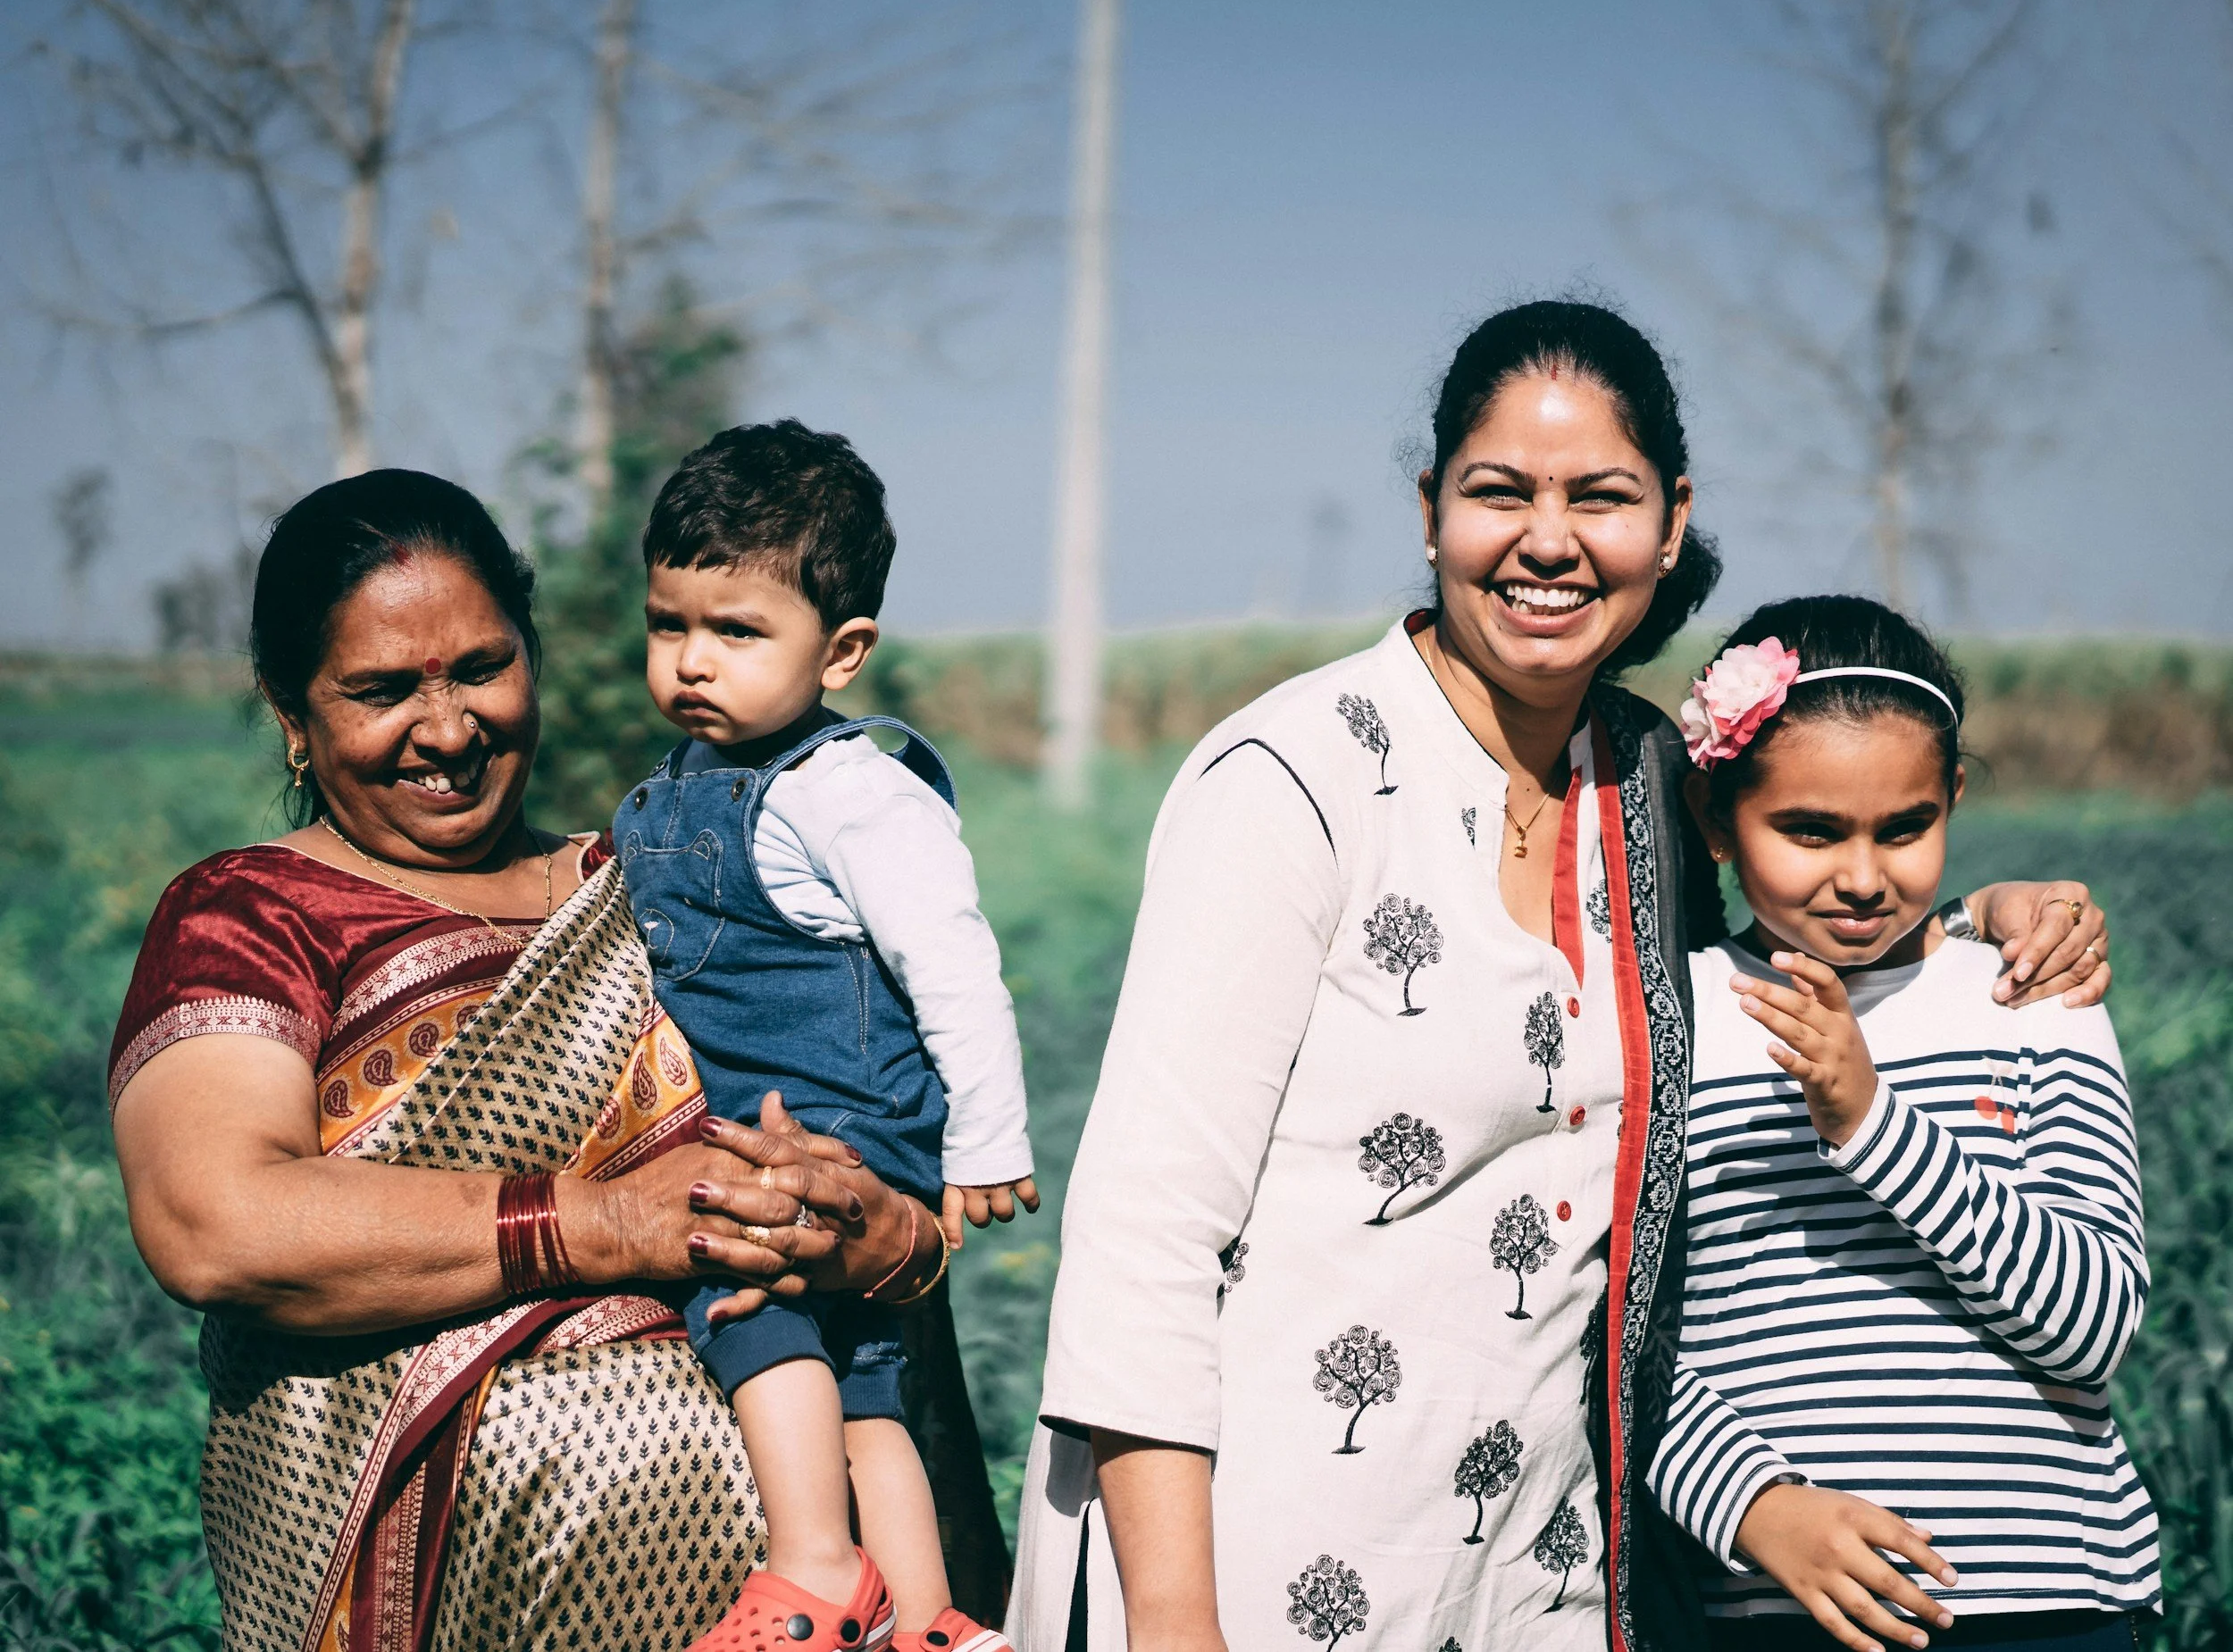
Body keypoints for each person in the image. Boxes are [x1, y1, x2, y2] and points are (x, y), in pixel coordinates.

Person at [1007, 300, 2116, 1652]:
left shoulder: (1652, 781)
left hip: (1533, 1576)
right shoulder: (1294, 778)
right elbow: (1144, 1234)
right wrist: (1176, 1621)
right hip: (1247, 1557)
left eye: (1599, 494)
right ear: (1430, 512)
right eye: (1498, 492)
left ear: (1668, 517)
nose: (1548, 538)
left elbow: (1798, 939)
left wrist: (1992, 912)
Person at [107, 469, 1006, 1652]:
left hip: (810, 1597)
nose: (447, 728)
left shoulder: (668, 884)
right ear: (292, 711)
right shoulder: (252, 913)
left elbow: (889, 1147)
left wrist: (881, 1238)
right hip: (425, 1592)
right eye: (382, 690)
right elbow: (215, 1220)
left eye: (482, 667)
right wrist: (613, 1224)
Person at [1648, 597, 2157, 1652]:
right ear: (1714, 815)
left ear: (1952, 799)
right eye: (1809, 831)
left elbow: (2094, 1331)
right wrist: (1750, 1504)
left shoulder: (2032, 997)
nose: (1864, 876)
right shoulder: (1668, 1023)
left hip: (2042, 1601)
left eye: (1905, 826)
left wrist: (1871, 1121)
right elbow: (1610, 1339)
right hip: (1776, 1607)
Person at [612, 421, 1035, 1652]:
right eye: (669, 623)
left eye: (737, 631)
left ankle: (809, 1569)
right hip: (789, 1105)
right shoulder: (688, 774)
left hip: (836, 1114)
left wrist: (986, 1139)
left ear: (842, 652)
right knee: (866, 1380)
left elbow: (954, 963)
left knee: (747, 1290)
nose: (693, 660)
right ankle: (926, 1613)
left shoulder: (854, 790)